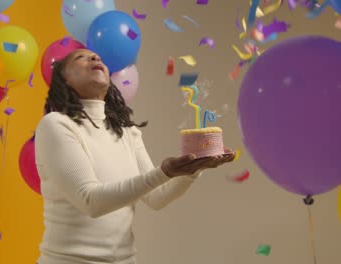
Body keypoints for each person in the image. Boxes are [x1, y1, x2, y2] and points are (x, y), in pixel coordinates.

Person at [34, 49, 235, 264]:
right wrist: (165, 172)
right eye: (80, 58)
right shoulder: (56, 125)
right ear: (64, 80)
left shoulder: (127, 131)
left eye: (98, 57)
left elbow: (156, 197)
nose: (94, 58)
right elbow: (91, 201)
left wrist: (191, 171)